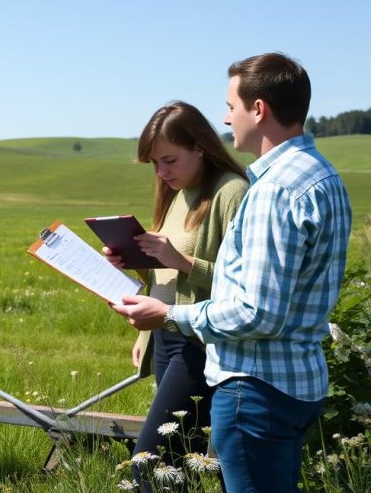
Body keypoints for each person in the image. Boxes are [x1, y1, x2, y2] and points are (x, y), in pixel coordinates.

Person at [113, 52, 352, 493]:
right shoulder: (323, 177)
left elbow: (258, 312)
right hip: (296, 380)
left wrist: (167, 316)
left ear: (258, 109)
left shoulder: (273, 191)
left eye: (231, 107)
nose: (226, 120)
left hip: (257, 384)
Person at [104, 101, 247, 492]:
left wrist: (181, 260)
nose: (162, 172)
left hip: (199, 340)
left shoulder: (231, 192)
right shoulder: (174, 192)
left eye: (169, 160)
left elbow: (247, 287)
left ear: (200, 147)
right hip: (165, 334)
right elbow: (163, 277)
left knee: (150, 463)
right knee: (178, 463)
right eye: (154, 164)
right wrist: (131, 264)